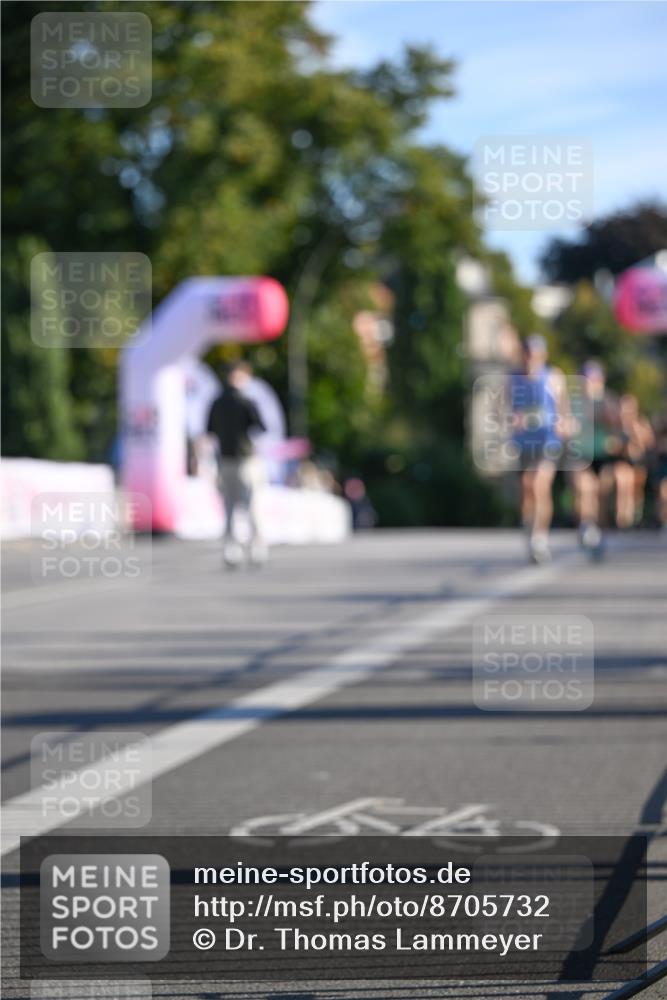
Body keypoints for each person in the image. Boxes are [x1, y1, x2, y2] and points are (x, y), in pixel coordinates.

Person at [509, 335, 569, 564]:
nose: (530, 359)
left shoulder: (554, 376)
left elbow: (564, 407)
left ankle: (540, 537)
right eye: (527, 354)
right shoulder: (512, 379)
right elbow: (501, 408)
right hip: (524, 442)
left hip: (547, 441)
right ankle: (529, 527)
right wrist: (511, 419)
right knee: (526, 488)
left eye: (535, 354)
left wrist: (564, 422)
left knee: (540, 485)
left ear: (542, 355)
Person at [206, 361, 268, 568]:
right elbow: (261, 427)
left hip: (224, 459)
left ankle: (230, 549)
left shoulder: (216, 402)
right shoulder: (246, 401)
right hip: (246, 459)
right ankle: (256, 546)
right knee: (252, 505)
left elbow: (209, 430)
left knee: (229, 507)